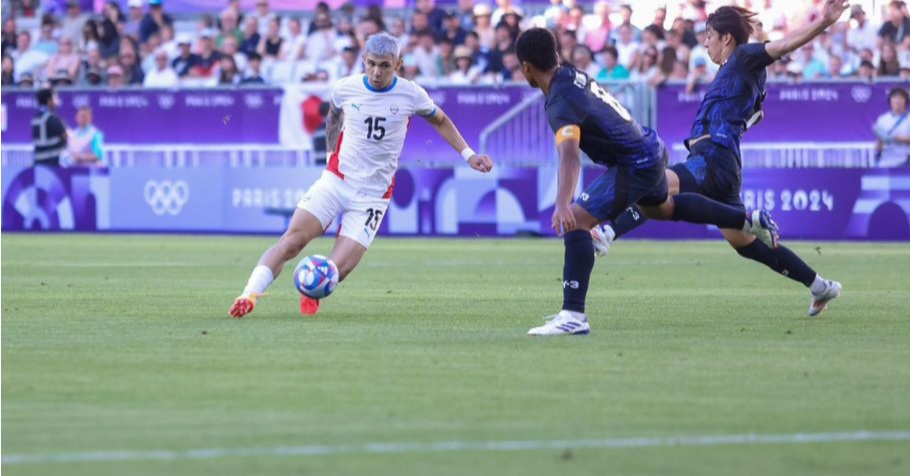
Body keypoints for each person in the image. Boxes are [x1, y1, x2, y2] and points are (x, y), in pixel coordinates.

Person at [592, 0, 852, 318]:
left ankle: (605, 232)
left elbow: (782, 46)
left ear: (727, 38)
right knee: (746, 244)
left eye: (709, 37)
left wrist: (825, 21)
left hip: (711, 156)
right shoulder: (739, 69)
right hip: (725, 162)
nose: (705, 45)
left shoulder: (743, 57)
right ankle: (818, 285)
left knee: (654, 182)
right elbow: (757, 114)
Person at [514, 28, 780, 337]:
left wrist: (562, 204)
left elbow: (570, 156)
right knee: (663, 209)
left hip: (635, 163)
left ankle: (573, 315)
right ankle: (747, 219)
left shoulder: (560, 102)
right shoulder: (571, 76)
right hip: (651, 147)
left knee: (576, 221)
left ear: (525, 67)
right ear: (557, 56)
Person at [229, 34, 494, 319]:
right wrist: (331, 154)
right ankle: (248, 294)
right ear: (363, 62)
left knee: (336, 272)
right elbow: (333, 115)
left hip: (372, 197)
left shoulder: (411, 93)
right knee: (291, 241)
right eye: (371, 64)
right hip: (336, 181)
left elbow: (440, 119)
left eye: (385, 66)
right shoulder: (346, 87)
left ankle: (311, 291)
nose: (377, 72)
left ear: (398, 64)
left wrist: (469, 155)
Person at [873, 87, 910, 167]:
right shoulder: (882, 119)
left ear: (906, 101)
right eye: (894, 98)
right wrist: (883, 140)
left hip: (909, 159)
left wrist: (907, 140)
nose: (897, 101)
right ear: (890, 101)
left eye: (901, 98)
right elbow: (878, 146)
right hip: (887, 160)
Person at [32, 88, 67, 166]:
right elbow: (66, 136)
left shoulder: (35, 119)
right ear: (49, 101)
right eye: (55, 98)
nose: (57, 102)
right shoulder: (51, 119)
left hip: (38, 162)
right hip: (52, 164)